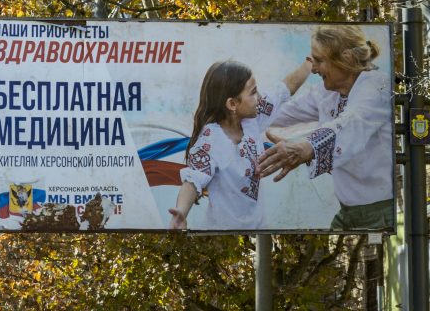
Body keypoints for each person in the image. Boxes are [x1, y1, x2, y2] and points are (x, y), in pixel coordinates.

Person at [257, 26, 395, 230]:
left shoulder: (378, 85)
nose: (314, 69)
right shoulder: (327, 92)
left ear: (346, 58)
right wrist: (235, 115)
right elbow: (283, 114)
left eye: (319, 61)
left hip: (382, 215)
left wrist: (304, 149)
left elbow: (349, 124)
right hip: (347, 214)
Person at [169, 58, 310, 231]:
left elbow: (286, 87)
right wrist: (181, 212)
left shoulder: (254, 119)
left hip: (258, 229)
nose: (259, 97)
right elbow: (192, 181)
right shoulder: (210, 140)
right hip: (221, 236)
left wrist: (310, 62)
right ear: (232, 104)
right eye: (253, 92)